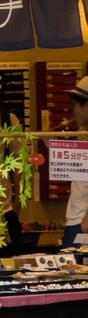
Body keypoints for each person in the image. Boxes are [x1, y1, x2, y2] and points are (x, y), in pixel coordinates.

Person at [68, 79, 88, 249]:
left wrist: (86, 223)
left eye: (74, 105)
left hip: (82, 222)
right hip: (77, 219)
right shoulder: (84, 136)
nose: (72, 112)